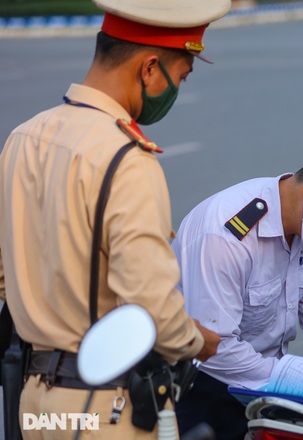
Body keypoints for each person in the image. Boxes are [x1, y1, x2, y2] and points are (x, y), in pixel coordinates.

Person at [0, 0, 230, 438]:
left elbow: (3, 275)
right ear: (149, 70)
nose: (174, 91)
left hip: (33, 402)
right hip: (103, 407)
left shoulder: (22, 138)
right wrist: (196, 340)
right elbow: (152, 309)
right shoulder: (126, 158)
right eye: (179, 77)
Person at [171, 144, 303, 439]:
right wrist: (301, 378)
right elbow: (216, 348)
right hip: (202, 383)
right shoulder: (227, 236)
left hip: (261, 385)